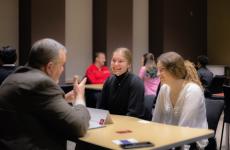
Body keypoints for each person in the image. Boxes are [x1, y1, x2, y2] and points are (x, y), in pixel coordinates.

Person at [0, 38, 90, 150]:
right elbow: (79, 127)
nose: (62, 70)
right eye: (62, 65)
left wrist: (63, 100)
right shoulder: (42, 83)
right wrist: (79, 98)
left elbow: (31, 108)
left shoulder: (12, 78)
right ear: (50, 67)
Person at [152, 52, 208, 149]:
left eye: (161, 70)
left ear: (174, 70)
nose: (158, 74)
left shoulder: (193, 91)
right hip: (170, 142)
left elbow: (184, 129)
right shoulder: (164, 88)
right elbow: (156, 121)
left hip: (192, 145)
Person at [98, 47, 145, 118]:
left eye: (120, 61)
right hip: (112, 124)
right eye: (113, 60)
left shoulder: (136, 83)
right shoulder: (109, 80)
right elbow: (101, 107)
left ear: (129, 64)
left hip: (130, 126)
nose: (116, 64)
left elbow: (133, 114)